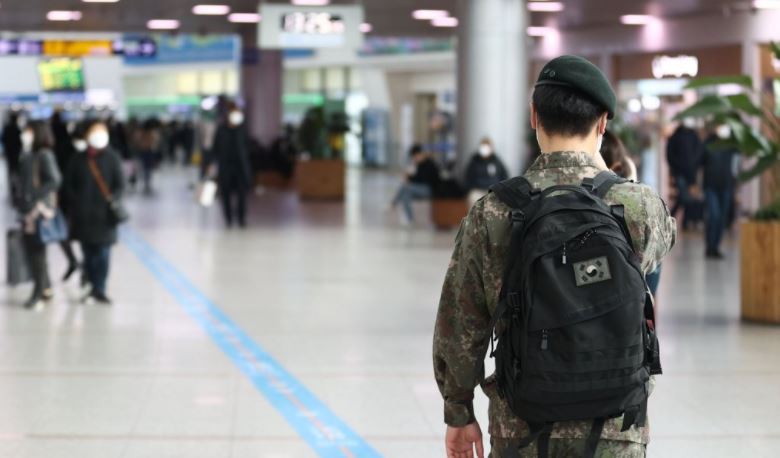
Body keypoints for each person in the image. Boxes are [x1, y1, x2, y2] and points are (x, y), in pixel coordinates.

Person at [433, 56, 676, 458]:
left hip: (523, 427)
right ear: (602, 123)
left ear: (533, 117)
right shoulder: (639, 206)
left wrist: (458, 412)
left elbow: (459, 324)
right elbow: (659, 252)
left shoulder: (493, 211)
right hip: (616, 427)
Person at [65, 121, 124, 305]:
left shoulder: (112, 158)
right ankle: (90, 286)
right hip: (84, 217)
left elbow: (120, 184)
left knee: (103, 254)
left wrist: (113, 200)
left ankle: (100, 289)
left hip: (105, 217)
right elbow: (67, 184)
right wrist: (76, 203)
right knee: (88, 254)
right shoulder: (78, 159)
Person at [17, 122, 61, 309]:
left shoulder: (44, 155)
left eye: (28, 131)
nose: (25, 134)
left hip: (37, 212)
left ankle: (38, 291)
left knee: (37, 253)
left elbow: (55, 180)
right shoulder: (27, 155)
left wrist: (33, 195)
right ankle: (46, 288)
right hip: (27, 211)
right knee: (34, 252)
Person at [50, 109, 80, 280]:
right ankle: (75, 262)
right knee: (67, 231)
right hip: (71, 196)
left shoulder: (53, 148)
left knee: (62, 231)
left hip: (60, 197)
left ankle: (74, 261)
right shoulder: (71, 147)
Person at [702, 124, 739, 259]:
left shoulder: (731, 144)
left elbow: (736, 163)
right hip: (710, 186)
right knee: (713, 216)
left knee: (722, 218)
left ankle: (716, 247)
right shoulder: (708, 142)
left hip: (726, 186)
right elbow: (700, 161)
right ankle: (709, 246)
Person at [211, 106, 252, 228]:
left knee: (242, 195)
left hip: (240, 167)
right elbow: (215, 148)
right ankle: (228, 219)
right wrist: (212, 164)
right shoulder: (221, 130)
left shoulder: (242, 130)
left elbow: (247, 147)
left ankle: (241, 218)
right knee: (226, 195)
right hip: (226, 167)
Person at [666, 120, 704, 230]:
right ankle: (671, 219)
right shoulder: (675, 136)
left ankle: (680, 221)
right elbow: (669, 155)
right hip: (679, 173)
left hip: (691, 173)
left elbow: (699, 153)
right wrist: (675, 168)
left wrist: (694, 165)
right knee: (683, 197)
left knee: (686, 198)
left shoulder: (694, 136)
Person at [391, 144, 441, 225]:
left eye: (415, 157)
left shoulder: (430, 164)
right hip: (421, 189)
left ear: (419, 154)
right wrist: (409, 177)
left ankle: (393, 204)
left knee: (405, 187)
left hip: (430, 190)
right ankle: (410, 219)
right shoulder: (420, 164)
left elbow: (424, 180)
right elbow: (418, 178)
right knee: (405, 195)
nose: (414, 159)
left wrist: (410, 179)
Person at [464, 137, 509, 206]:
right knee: (473, 197)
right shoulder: (474, 161)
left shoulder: (497, 161)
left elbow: (504, 175)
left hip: (493, 190)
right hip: (478, 190)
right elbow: (468, 177)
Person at [2, 111, 23, 201]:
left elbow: (3, 139)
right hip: (15, 154)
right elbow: (19, 143)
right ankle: (14, 190)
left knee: (11, 172)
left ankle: (13, 190)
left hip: (10, 154)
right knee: (15, 172)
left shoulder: (7, 128)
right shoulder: (16, 129)